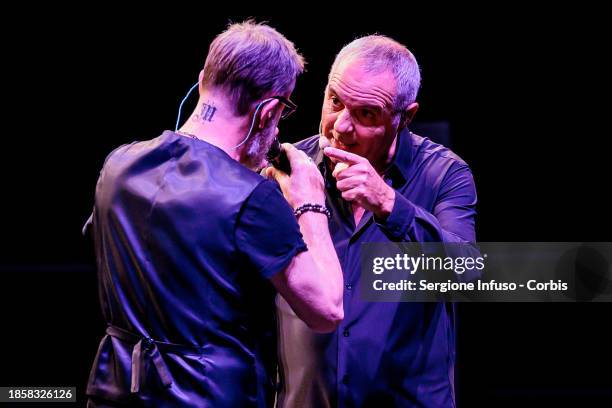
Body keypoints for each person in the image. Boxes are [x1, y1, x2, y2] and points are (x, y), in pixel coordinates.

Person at [84, 21, 343, 408]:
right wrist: (310, 202)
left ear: (203, 79)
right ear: (268, 109)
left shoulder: (119, 164)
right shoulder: (250, 196)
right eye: (283, 111)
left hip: (115, 393)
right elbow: (326, 309)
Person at [276, 35, 478, 407]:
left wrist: (389, 204)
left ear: (405, 117)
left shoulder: (444, 175)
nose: (341, 127)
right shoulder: (288, 171)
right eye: (335, 101)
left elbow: (466, 274)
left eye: (367, 114)